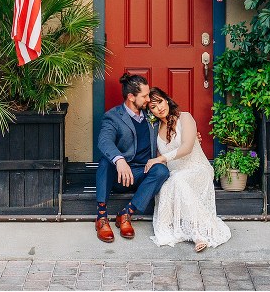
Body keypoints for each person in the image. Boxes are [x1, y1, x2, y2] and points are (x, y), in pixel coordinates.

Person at [145, 87, 231, 252]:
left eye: (160, 102)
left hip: (198, 169)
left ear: (166, 99)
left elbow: (187, 148)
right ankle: (178, 228)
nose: (159, 108)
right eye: (153, 107)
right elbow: (160, 161)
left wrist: (161, 158)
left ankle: (198, 234)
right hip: (175, 173)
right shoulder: (155, 130)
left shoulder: (185, 118)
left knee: (177, 180)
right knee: (167, 184)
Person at [94, 73, 169, 243]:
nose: (149, 99)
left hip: (142, 173)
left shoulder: (151, 116)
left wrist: (191, 137)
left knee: (161, 170)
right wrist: (119, 160)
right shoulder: (113, 116)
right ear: (130, 97)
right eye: (144, 96)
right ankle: (101, 217)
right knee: (106, 161)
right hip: (121, 176)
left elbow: (171, 125)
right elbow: (104, 141)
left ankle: (126, 214)